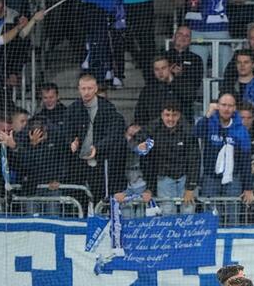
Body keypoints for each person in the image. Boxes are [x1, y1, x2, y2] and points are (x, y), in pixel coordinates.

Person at [64, 74, 127, 210]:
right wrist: (71, 142)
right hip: (77, 164)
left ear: (96, 89)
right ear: (79, 89)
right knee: (78, 198)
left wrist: (98, 148)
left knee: (101, 199)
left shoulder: (108, 108)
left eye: (89, 88)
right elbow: (66, 132)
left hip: (101, 162)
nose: (86, 92)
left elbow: (113, 134)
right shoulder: (72, 109)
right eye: (83, 88)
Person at [128, 101, 200, 215]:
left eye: (174, 115)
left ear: (179, 115)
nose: (170, 119)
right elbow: (133, 140)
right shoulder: (153, 127)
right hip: (164, 178)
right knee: (167, 211)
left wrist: (190, 188)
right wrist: (138, 146)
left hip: (185, 177)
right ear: (162, 115)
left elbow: (194, 159)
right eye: (167, 115)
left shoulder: (188, 130)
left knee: (188, 211)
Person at [193, 93, 254, 221]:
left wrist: (248, 188)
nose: (226, 109)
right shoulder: (209, 123)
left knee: (233, 215)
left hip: (233, 179)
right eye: (223, 105)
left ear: (235, 108)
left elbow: (246, 161)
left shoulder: (241, 130)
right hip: (210, 178)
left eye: (230, 106)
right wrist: (208, 114)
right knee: (210, 217)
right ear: (217, 106)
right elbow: (196, 133)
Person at [177, 0, 247, 78]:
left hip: (219, 30)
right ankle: (199, 93)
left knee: (225, 71)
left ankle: (226, 93)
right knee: (196, 72)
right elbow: (177, 3)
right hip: (195, 33)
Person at [134, 55, 194, 125]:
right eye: (157, 69)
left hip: (179, 129)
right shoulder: (148, 90)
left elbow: (189, 100)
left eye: (163, 68)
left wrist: (171, 80)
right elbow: (139, 114)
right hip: (154, 130)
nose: (160, 72)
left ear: (170, 68)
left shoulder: (182, 85)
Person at [121, 0, 157, 79]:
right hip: (120, 1)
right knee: (124, 36)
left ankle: (151, 75)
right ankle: (140, 60)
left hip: (142, 0)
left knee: (146, 40)